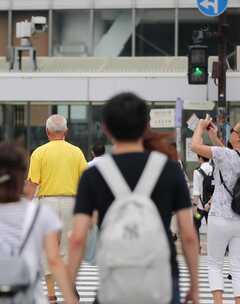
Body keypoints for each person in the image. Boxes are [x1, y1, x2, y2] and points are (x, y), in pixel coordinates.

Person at [68, 93, 199, 304]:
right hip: (162, 278)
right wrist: (194, 286)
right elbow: (188, 235)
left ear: (105, 128)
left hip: (115, 279)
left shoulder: (93, 175)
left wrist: (68, 293)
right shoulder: (170, 170)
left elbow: (77, 238)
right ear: (146, 125)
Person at [0, 142, 77, 304]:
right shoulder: (40, 214)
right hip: (28, 296)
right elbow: (54, 260)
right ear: (22, 177)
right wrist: (70, 298)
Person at [192, 118, 240, 304]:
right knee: (238, 266)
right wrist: (215, 138)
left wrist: (200, 128)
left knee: (215, 264)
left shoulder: (224, 154)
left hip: (221, 217)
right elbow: (231, 159)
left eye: (234, 130)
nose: (231, 131)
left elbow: (195, 146)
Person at [24, 114, 87, 303]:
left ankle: (51, 295)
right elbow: (86, 180)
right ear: (66, 132)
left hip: (47, 204)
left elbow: (33, 182)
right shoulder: (76, 152)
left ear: (47, 131)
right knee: (69, 248)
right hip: (71, 202)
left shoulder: (39, 153)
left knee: (48, 249)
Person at [192, 154, 214, 247]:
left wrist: (194, 207)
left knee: (195, 224)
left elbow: (196, 192)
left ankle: (197, 246)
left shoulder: (197, 171)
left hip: (200, 208)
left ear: (200, 158)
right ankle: (218, 248)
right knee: (213, 228)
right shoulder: (214, 169)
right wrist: (209, 203)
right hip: (212, 206)